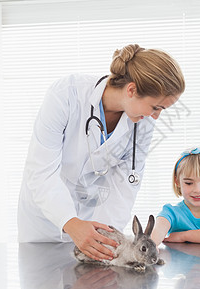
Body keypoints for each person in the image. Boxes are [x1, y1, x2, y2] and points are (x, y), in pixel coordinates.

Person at [18, 44, 185, 262]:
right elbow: (41, 172)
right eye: (155, 107)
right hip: (44, 227)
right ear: (132, 90)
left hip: (93, 225)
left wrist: (106, 242)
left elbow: (124, 187)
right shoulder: (66, 95)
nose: (156, 117)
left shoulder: (141, 124)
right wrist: (71, 222)